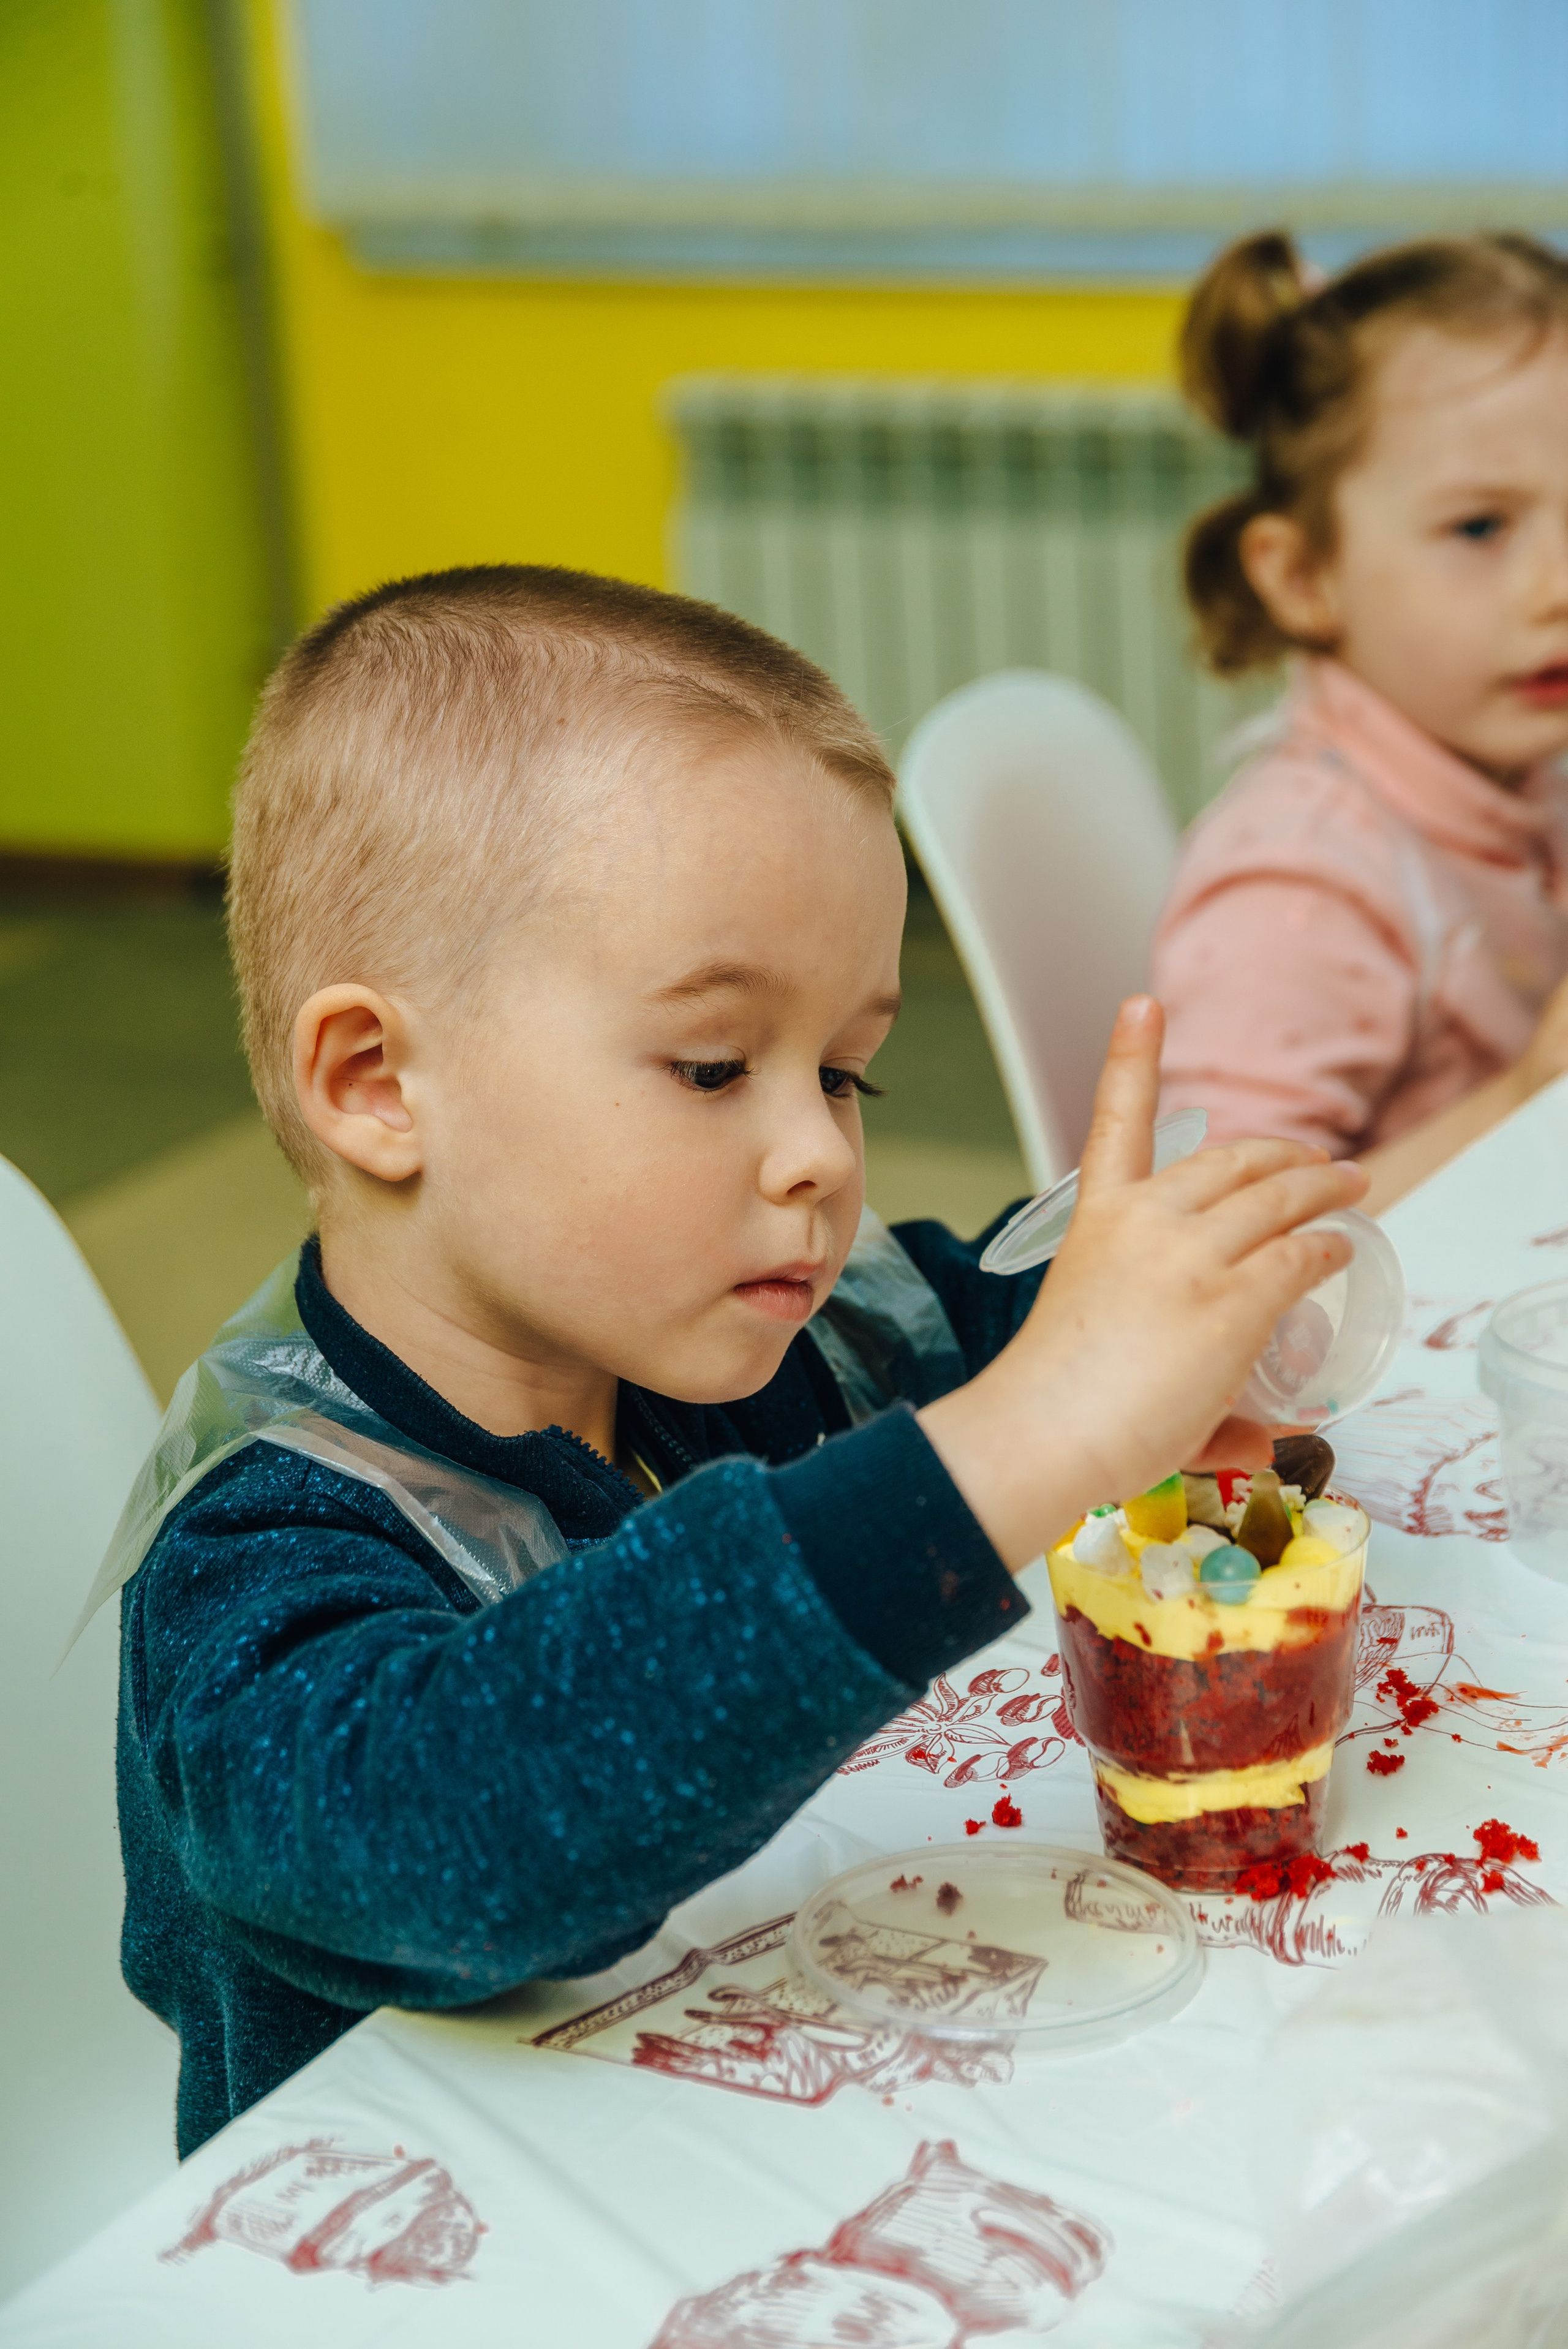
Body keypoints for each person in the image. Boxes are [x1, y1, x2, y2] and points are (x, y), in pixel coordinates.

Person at [108, 565, 1360, 2154]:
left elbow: (983, 1307)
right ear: (376, 1081)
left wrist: (1183, 1334)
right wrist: (1028, 1437)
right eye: (715, 1064)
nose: (813, 1157)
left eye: (846, 1076)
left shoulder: (733, 1347)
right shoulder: (258, 1550)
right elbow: (466, 1832)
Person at [1154, 230, 1568, 1215]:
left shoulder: (1528, 769)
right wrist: (1529, 1094)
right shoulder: (1302, 886)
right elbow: (1220, 1246)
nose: (1560, 585)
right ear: (1303, 577)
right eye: (1480, 527)